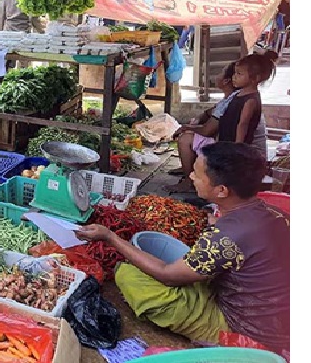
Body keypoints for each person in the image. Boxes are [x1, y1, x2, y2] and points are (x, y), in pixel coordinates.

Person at [76, 142, 290, 354]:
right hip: (279, 320)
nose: (191, 177)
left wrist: (110, 236)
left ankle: (227, 347)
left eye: (197, 174)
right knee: (187, 268)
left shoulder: (227, 238)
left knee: (127, 273)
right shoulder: (275, 214)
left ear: (222, 190)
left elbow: (167, 275)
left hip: (247, 332)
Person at [166, 54, 274, 193]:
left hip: (237, 147)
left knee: (189, 142)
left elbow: (241, 125)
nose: (235, 76)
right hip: (229, 142)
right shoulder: (237, 95)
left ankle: (191, 183)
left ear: (255, 78)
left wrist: (235, 150)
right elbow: (213, 114)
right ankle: (195, 178)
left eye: (239, 74)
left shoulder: (250, 100)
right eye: (235, 73)